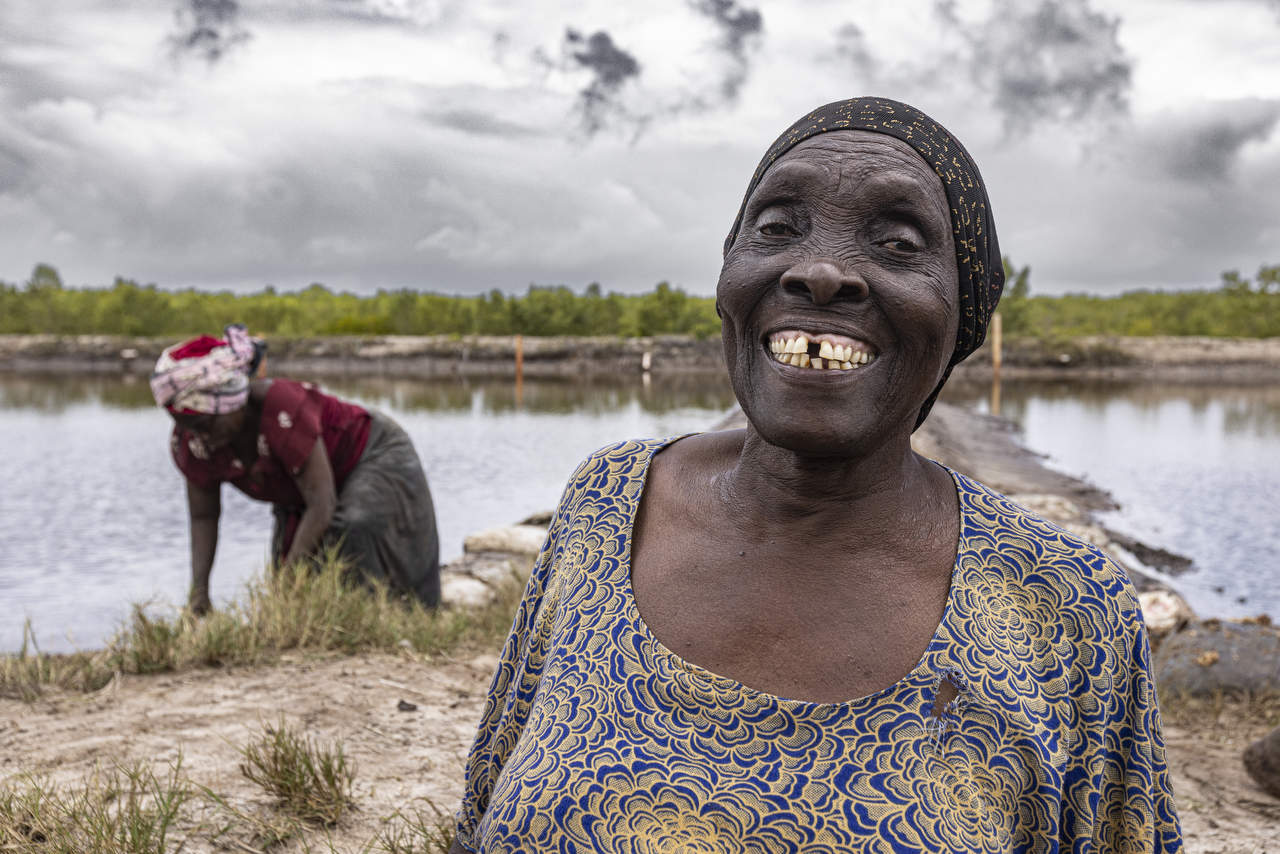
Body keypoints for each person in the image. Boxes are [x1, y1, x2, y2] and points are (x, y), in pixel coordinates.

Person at [451, 98, 1183, 852]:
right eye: (777, 229)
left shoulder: (1065, 606)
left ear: (965, 312)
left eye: (898, 243)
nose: (822, 271)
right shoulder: (608, 502)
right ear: (727, 271)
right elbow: (484, 805)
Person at [151, 324, 440, 614]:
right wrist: (199, 593)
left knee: (352, 526)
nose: (201, 437)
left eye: (206, 425)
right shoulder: (193, 444)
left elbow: (321, 505)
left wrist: (286, 590)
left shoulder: (282, 409)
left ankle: (392, 614)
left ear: (232, 403)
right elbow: (203, 517)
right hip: (301, 488)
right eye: (188, 428)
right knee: (289, 562)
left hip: (372, 452)